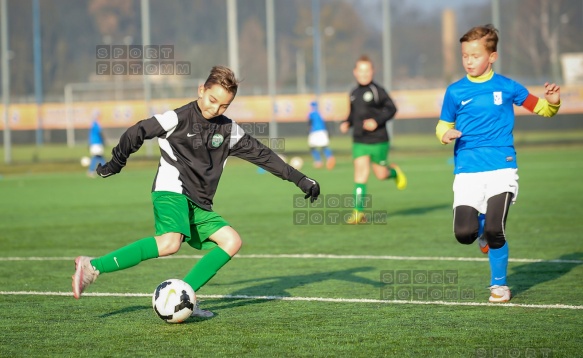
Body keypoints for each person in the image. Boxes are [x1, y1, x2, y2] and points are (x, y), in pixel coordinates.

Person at [72, 66, 321, 317]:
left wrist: (300, 179)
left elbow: (264, 155)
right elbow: (137, 131)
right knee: (170, 242)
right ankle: (92, 267)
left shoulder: (229, 131)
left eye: (224, 106)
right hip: (171, 189)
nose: (215, 109)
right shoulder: (177, 118)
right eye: (212, 100)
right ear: (201, 90)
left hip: (199, 202)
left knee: (232, 241)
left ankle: (184, 298)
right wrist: (116, 163)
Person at [436, 24, 561, 303]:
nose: (469, 61)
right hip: (467, 169)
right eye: (465, 56)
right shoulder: (455, 91)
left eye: (475, 55)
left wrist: (552, 103)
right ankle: (479, 233)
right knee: (464, 234)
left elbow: (540, 108)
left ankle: (499, 285)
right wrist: (444, 134)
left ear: (492, 57)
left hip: (502, 167)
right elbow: (443, 124)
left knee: (496, 228)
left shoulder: (507, 86)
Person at [340, 55, 407, 224]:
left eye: (367, 70)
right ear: (355, 72)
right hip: (359, 140)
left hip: (379, 139)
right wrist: (346, 123)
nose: (364, 74)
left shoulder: (378, 91)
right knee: (360, 174)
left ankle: (393, 172)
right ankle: (358, 212)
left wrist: (376, 121)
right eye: (360, 70)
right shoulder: (353, 93)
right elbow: (353, 114)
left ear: (372, 71)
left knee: (381, 174)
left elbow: (392, 109)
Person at [307, 100, 335, 169]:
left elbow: (310, 123)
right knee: (324, 146)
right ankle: (330, 158)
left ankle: (318, 161)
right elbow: (324, 123)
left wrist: (308, 130)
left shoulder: (311, 114)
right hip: (323, 131)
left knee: (312, 147)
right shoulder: (320, 113)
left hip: (315, 132)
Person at [87, 112, 106, 178]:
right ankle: (91, 170)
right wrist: (104, 141)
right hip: (96, 143)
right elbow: (100, 132)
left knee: (99, 156)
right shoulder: (96, 124)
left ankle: (105, 169)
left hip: (94, 143)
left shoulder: (93, 124)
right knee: (96, 156)